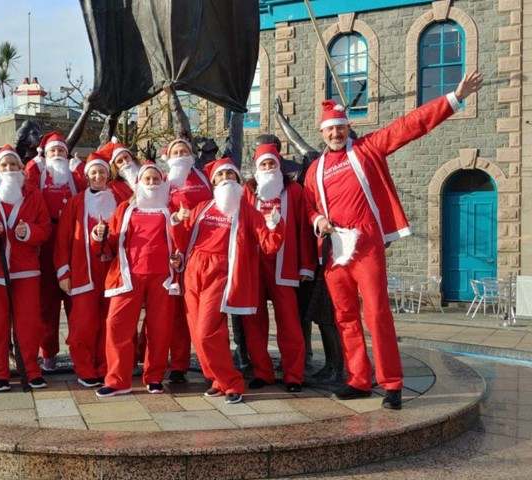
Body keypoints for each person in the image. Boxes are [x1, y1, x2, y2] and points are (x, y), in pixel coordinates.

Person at [303, 70, 484, 410]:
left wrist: (453, 99)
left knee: (376, 313)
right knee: (344, 316)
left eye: (340, 127)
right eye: (329, 129)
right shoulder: (315, 170)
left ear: (347, 128)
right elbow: (308, 207)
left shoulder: (369, 148)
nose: (336, 133)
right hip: (335, 249)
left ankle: (392, 383)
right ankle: (357, 378)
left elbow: (410, 125)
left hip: (366, 240)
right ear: (322, 133)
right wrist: (318, 220)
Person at [171, 158, 284, 404]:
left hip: (222, 273)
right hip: (193, 271)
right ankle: (217, 379)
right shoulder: (201, 207)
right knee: (196, 331)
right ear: (213, 183)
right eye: (220, 176)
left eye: (230, 176)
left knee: (206, 331)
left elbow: (269, 245)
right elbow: (181, 242)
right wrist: (177, 221)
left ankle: (231, 382)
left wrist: (275, 224)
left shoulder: (248, 211)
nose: (225, 180)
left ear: (238, 181)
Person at [0, 145, 52, 392]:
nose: (9, 169)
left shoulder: (33, 194)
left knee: (28, 324)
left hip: (25, 270)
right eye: (3, 166)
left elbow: (45, 228)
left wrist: (30, 233)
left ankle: (31, 371)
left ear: (20, 169)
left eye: (13, 165)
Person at [94, 161, 180, 397]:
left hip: (162, 277)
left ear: (162, 183)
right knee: (117, 324)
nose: (151, 183)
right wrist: (98, 235)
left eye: (155, 179)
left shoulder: (170, 209)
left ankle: (154, 377)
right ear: (139, 183)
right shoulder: (125, 209)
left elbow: (182, 242)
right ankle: (117, 380)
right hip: (127, 275)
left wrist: (178, 259)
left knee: (159, 329)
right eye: (147, 179)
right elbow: (111, 242)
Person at [242, 143, 317, 393]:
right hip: (253, 265)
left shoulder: (294, 191)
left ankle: (293, 374)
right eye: (263, 164)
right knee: (254, 321)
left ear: (279, 165)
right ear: (257, 168)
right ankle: (262, 372)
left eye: (271, 163)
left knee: (289, 322)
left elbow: (304, 229)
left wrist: (306, 265)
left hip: (284, 264)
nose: (267, 168)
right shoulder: (248, 192)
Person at [53, 151, 117, 387]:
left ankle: (104, 366)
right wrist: (63, 272)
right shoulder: (76, 202)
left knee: (109, 323)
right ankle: (85, 367)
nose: (98, 176)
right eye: (94, 172)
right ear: (87, 176)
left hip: (112, 273)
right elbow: (63, 240)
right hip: (83, 273)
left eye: (102, 172)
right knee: (83, 325)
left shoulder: (117, 199)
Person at [24, 131, 84, 373]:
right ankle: (48, 352)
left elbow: (87, 185)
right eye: (52, 152)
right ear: (45, 155)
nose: (57, 155)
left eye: (61, 151)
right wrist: (34, 163)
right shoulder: (39, 176)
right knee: (46, 306)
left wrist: (80, 167)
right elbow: (26, 185)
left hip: (73, 244)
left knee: (76, 303)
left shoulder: (72, 177)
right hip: (45, 246)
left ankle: (80, 350)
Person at [157, 138, 213, 384]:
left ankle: (210, 364)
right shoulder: (163, 182)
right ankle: (178, 364)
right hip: (174, 253)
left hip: (205, 250)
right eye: (175, 151)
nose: (180, 155)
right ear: (168, 157)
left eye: (184, 151)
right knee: (178, 314)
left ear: (192, 155)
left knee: (205, 313)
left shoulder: (206, 177)